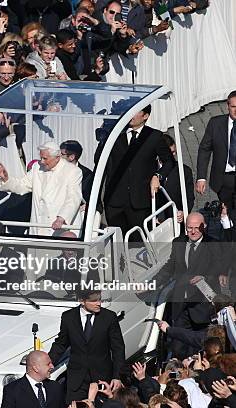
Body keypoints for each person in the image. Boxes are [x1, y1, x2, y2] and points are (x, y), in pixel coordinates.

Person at [154, 212, 224, 358]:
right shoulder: (178, 242)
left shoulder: (213, 244)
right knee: (178, 349)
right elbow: (170, 267)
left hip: (202, 306)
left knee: (201, 350)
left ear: (204, 227)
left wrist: (204, 277)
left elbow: (218, 266)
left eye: (196, 228)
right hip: (181, 305)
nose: (192, 231)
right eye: (189, 228)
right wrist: (152, 283)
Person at [101, 105, 174, 235]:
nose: (131, 115)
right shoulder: (115, 134)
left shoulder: (154, 136)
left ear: (145, 116)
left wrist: (158, 176)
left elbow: (169, 162)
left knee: (138, 242)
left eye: (135, 112)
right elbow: (100, 162)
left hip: (140, 201)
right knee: (116, 242)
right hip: (114, 201)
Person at [48, 289, 126, 403]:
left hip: (102, 377)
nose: (99, 303)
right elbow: (61, 343)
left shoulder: (109, 317)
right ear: (82, 301)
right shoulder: (68, 317)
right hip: (77, 379)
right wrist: (48, 363)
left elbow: (118, 348)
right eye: (94, 301)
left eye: (99, 299)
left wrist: (117, 376)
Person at [0, 141, 82, 236]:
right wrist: (6, 178)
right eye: (41, 158)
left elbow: (73, 198)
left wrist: (61, 218)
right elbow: (22, 185)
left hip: (59, 227)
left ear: (57, 158)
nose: (42, 161)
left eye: (45, 158)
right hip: (38, 225)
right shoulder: (37, 167)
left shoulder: (73, 171)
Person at [196, 90, 236, 209]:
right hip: (223, 179)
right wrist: (201, 177)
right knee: (226, 212)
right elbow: (204, 149)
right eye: (233, 106)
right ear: (227, 106)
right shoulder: (215, 123)